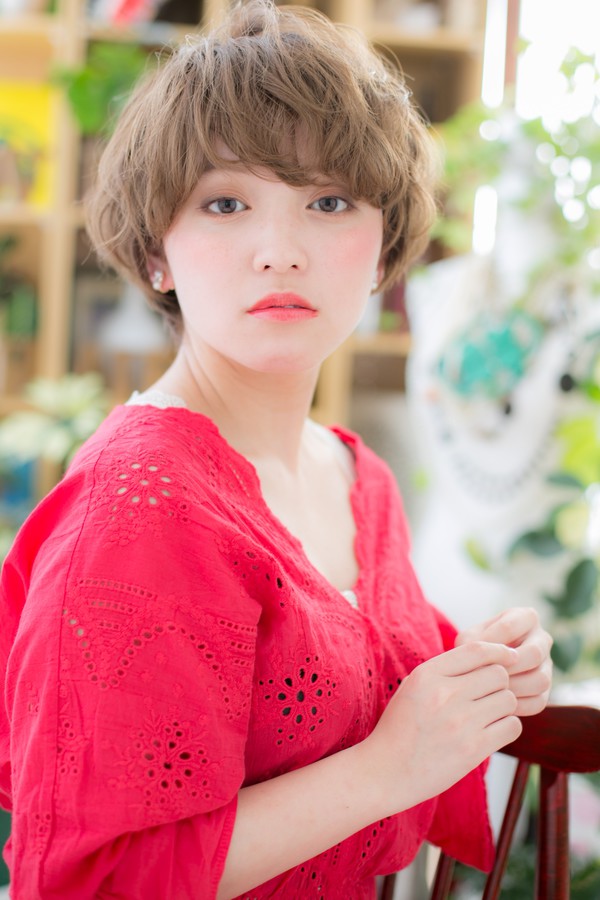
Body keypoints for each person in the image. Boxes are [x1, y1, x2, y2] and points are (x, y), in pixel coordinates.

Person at [0, 2, 552, 897]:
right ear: (156, 254)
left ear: (382, 253)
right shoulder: (141, 502)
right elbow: (92, 880)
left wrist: (491, 668)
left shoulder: (356, 476)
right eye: (226, 203)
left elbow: (371, 677)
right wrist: (386, 769)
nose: (281, 251)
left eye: (329, 203)